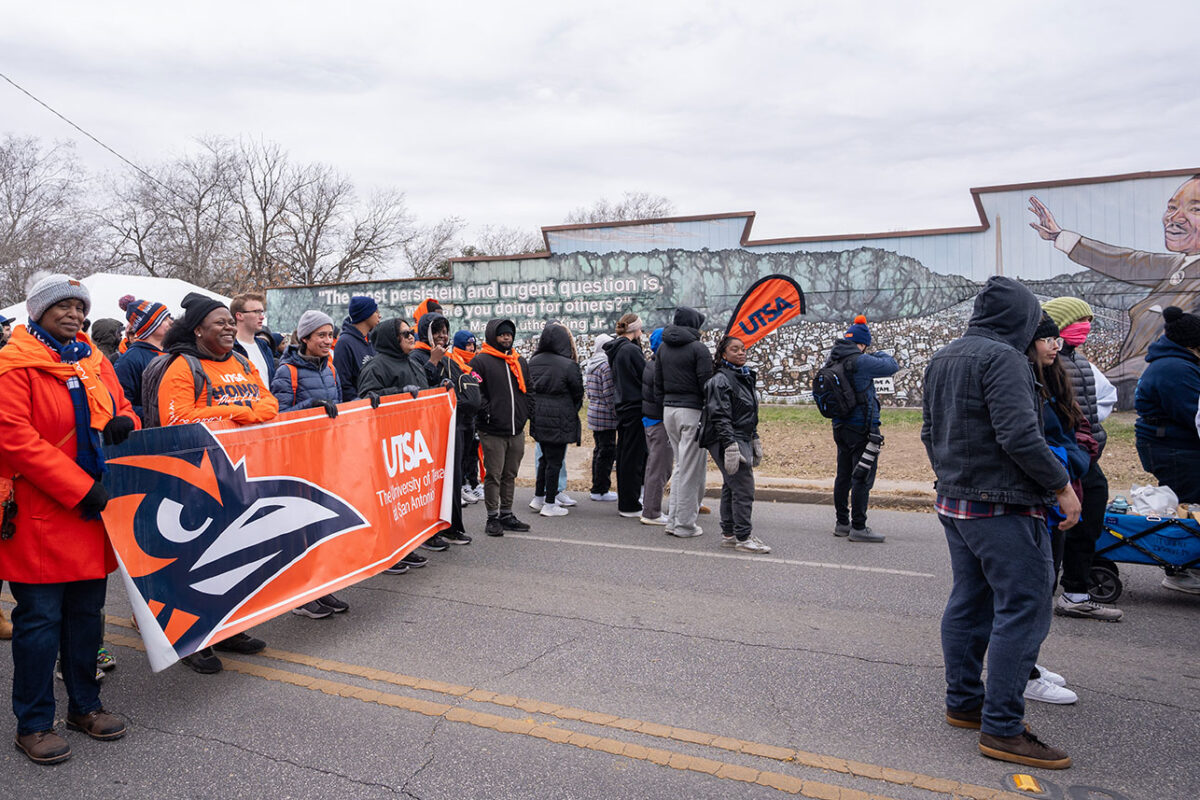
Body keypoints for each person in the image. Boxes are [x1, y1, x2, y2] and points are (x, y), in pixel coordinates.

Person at [922, 276, 1081, 770]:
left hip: (956, 500)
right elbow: (1019, 435)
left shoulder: (945, 355)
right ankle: (1003, 728)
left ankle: (965, 702)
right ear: (1020, 319)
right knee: (1026, 606)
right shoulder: (1005, 358)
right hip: (1002, 504)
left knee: (971, 601)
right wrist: (1062, 486)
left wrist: (950, 476)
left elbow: (929, 431)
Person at [0, 274, 140, 764]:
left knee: (86, 618)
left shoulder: (94, 359)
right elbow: (15, 439)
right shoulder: (13, 365)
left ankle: (85, 705)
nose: (75, 315)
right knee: (39, 622)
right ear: (36, 312)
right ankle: (33, 723)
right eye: (63, 306)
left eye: (80, 307)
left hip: (92, 512)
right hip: (42, 513)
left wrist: (127, 422)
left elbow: (121, 406)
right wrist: (80, 489)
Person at [154, 292, 278, 673]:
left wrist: (241, 414)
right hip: (195, 480)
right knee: (194, 564)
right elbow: (179, 420)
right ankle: (192, 641)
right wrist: (239, 412)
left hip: (239, 475)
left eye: (229, 321)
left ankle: (230, 629)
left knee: (236, 557)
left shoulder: (241, 361)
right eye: (219, 323)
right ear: (197, 331)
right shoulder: (181, 366)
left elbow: (270, 405)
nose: (227, 327)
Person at [1029, 178, 1200, 403]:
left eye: (1195, 209)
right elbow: (1125, 262)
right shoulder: (1180, 264)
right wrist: (1059, 236)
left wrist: (1106, 383)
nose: (1174, 218)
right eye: (1171, 207)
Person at [1041, 297, 1123, 621]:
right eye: (1079, 321)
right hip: (1065, 456)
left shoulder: (1081, 362)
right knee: (1060, 526)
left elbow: (1094, 403)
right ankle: (1046, 596)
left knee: (1088, 516)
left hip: (1083, 454)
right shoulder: (1047, 363)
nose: (1085, 327)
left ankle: (1075, 591)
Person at [270, 310, 351, 619]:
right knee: (298, 530)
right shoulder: (286, 371)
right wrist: (311, 407)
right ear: (305, 338)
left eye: (330, 335)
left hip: (325, 456)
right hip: (297, 460)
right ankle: (299, 595)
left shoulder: (330, 367)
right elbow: (278, 416)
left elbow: (340, 406)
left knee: (321, 526)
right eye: (321, 335)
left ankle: (319, 586)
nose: (328, 341)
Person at [357, 318, 445, 559]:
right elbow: (366, 400)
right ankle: (387, 552)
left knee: (407, 501)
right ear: (390, 338)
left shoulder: (414, 364)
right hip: (388, 446)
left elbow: (423, 395)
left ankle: (405, 547)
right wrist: (399, 393)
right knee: (389, 503)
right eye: (405, 333)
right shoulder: (375, 366)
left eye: (412, 333)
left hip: (413, 444)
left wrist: (440, 389)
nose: (411, 337)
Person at [1134, 306, 1200, 594]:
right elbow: (1195, 413)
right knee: (1190, 506)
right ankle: (1181, 571)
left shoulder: (1179, 363)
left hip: (1174, 445)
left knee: (1189, 504)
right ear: (1193, 345)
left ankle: (1184, 567)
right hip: (1173, 449)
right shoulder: (1175, 369)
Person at [825, 316, 899, 543]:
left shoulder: (832, 360)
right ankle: (859, 526)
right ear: (863, 343)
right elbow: (892, 366)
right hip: (862, 430)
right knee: (862, 476)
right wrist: (877, 353)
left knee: (843, 475)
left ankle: (842, 523)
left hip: (840, 426)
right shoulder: (862, 361)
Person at [700, 335, 769, 553]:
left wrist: (754, 436)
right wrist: (730, 445)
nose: (741, 353)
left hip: (741, 435)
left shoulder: (744, 376)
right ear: (723, 354)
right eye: (734, 349)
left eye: (743, 349)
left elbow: (748, 412)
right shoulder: (720, 380)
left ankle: (730, 534)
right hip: (727, 438)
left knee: (732, 485)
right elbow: (719, 415)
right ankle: (743, 537)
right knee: (744, 486)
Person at [412, 311, 475, 545]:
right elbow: (421, 389)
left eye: (445, 331)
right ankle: (430, 532)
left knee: (453, 479)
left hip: (453, 426)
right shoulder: (417, 356)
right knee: (431, 482)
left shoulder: (450, 357)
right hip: (429, 430)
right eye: (437, 331)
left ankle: (452, 526)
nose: (442, 336)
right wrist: (433, 361)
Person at [470, 319, 533, 537]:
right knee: (493, 475)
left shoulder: (518, 361)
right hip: (492, 430)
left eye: (509, 334)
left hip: (516, 429)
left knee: (510, 474)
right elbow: (477, 394)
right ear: (492, 336)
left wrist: (525, 414)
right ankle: (493, 517)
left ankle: (507, 514)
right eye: (502, 334)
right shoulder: (481, 361)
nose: (506, 338)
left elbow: (529, 391)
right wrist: (488, 414)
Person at [655, 307, 712, 538]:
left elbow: (657, 383)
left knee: (680, 466)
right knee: (690, 469)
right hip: (692, 411)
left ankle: (674, 520)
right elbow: (707, 384)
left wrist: (665, 405)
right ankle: (684, 525)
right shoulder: (699, 349)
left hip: (669, 410)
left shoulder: (662, 347)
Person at [528, 323, 584, 517]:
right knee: (555, 461)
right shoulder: (568, 365)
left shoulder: (533, 361)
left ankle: (539, 497)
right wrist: (570, 409)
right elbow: (578, 393)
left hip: (538, 417)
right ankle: (550, 503)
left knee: (544, 458)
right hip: (560, 418)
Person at [604, 314, 648, 518]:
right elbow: (646, 377)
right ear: (635, 328)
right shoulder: (631, 350)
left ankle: (626, 500)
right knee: (633, 456)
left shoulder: (617, 349)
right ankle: (630, 504)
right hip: (635, 406)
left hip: (622, 406)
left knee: (625, 454)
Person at [114, 295, 173, 423]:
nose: (171, 322)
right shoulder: (130, 359)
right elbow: (121, 404)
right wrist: (158, 412)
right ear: (149, 326)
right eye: (164, 319)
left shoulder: (174, 352)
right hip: (150, 434)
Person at [640, 328, 671, 525]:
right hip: (658, 422)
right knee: (659, 468)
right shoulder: (659, 366)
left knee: (657, 467)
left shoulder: (652, 363)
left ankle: (651, 508)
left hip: (652, 421)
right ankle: (651, 512)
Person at [450, 329, 484, 504]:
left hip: (474, 415)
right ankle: (461, 485)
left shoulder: (476, 362)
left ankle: (472, 482)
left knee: (472, 452)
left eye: (472, 344)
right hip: (461, 415)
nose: (470, 348)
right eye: (467, 344)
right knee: (461, 453)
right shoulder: (452, 362)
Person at [584, 333, 618, 502]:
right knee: (607, 451)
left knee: (599, 450)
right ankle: (600, 489)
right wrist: (616, 413)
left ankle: (597, 486)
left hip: (594, 411)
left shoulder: (592, 364)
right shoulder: (606, 365)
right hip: (605, 414)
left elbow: (590, 391)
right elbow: (609, 394)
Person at [333, 295, 381, 401]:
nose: (379, 316)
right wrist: (360, 401)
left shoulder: (373, 340)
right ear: (366, 314)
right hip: (360, 408)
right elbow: (343, 382)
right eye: (376, 312)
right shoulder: (344, 343)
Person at [229, 293, 275, 380]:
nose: (262, 317)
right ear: (239, 315)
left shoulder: (265, 348)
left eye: (262, 312)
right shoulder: (229, 348)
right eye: (256, 312)